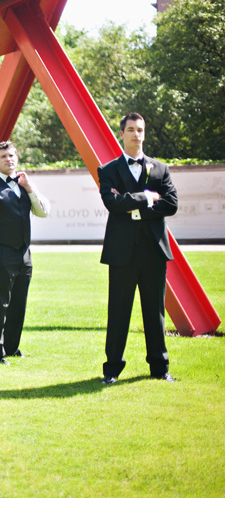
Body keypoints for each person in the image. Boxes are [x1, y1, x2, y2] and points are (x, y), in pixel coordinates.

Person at [98, 113, 178, 384]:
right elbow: (112, 203)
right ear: (122, 134)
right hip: (121, 253)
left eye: (140, 130)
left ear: (144, 134)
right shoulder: (107, 170)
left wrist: (132, 206)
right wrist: (145, 198)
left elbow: (171, 204)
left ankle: (160, 369)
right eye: (130, 130)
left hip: (153, 251)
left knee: (154, 312)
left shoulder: (160, 169)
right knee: (118, 312)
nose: (135, 134)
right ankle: (111, 371)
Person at [0, 141, 50, 365]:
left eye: (12, 155)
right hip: (0, 254)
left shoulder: (24, 185)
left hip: (24, 254)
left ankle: (12, 347)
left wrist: (30, 187)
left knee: (19, 303)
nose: (9, 159)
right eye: (4, 156)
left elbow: (43, 212)